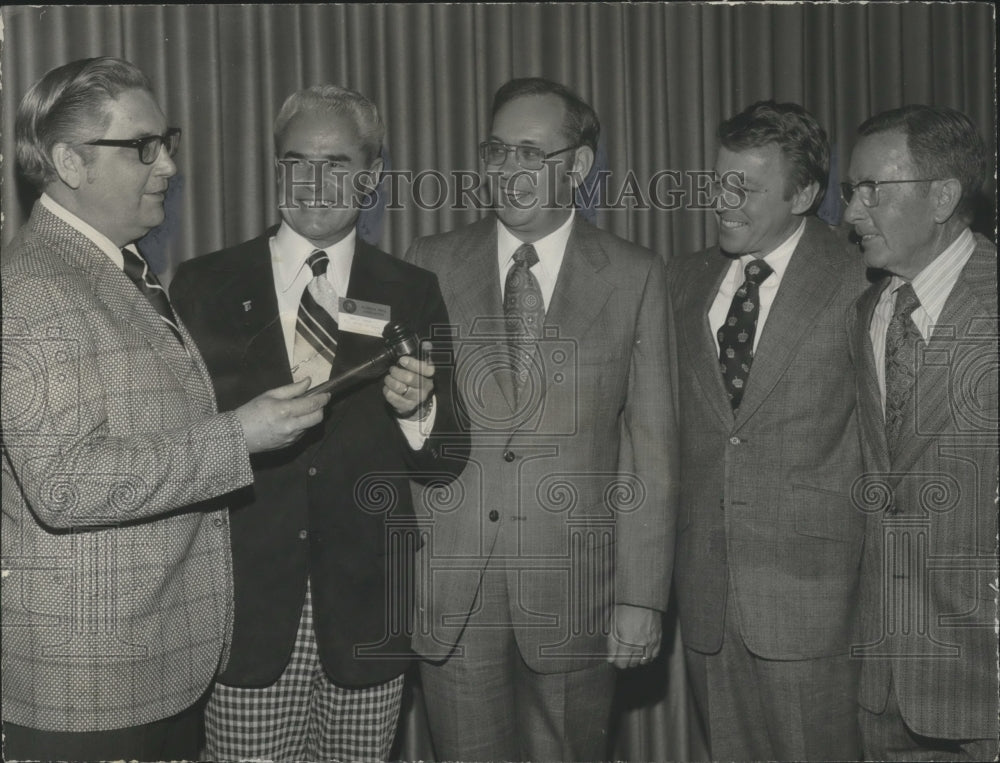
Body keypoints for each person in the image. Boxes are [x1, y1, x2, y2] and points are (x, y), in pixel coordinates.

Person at [1, 56, 328, 761]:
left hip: (149, 665)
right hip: (89, 682)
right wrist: (239, 435)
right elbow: (64, 482)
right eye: (143, 146)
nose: (169, 165)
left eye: (168, 140)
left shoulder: (120, 267)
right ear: (69, 162)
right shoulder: (35, 289)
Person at [170, 84, 468, 763]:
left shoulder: (411, 291)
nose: (314, 182)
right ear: (277, 167)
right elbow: (180, 446)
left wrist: (417, 408)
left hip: (367, 612)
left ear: (372, 176)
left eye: (337, 163)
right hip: (242, 611)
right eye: (296, 161)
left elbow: (447, 455)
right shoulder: (203, 283)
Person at [402, 76, 678, 761]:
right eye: (497, 150)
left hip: (577, 597)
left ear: (578, 165)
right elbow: (410, 426)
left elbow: (651, 448)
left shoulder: (635, 275)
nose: (507, 169)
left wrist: (642, 596)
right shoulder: (428, 263)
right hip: (455, 593)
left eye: (530, 152)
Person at [666, 100, 871, 761]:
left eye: (746, 188)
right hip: (706, 600)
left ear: (805, 193)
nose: (724, 201)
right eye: (720, 181)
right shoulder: (680, 281)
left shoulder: (862, 277)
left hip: (821, 604)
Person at [843, 105, 998, 762]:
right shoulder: (868, 312)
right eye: (850, 191)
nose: (851, 211)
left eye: (872, 189)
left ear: (942, 196)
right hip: (884, 680)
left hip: (983, 684)